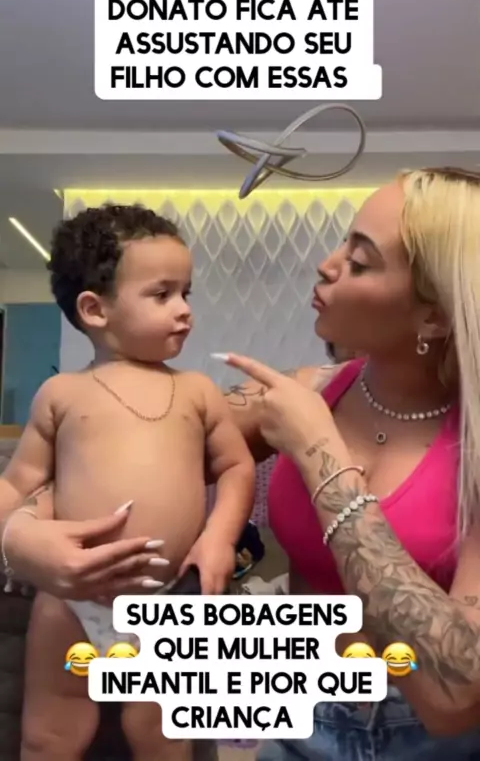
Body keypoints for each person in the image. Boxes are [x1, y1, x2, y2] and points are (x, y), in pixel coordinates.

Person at [219, 167, 480, 759]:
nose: (327, 265)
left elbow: (456, 692)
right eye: (343, 244)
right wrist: (24, 534)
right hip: (300, 721)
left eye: (359, 262)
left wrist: (322, 457)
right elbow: (127, 434)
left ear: (434, 317)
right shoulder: (307, 392)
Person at [2, 204, 255, 761]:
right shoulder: (61, 394)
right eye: (162, 295)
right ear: (95, 309)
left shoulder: (198, 391)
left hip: (168, 602)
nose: (184, 310)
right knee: (49, 734)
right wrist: (9, 535)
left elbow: (236, 468)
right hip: (70, 600)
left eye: (186, 293)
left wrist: (219, 538)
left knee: (163, 737)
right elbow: (19, 481)